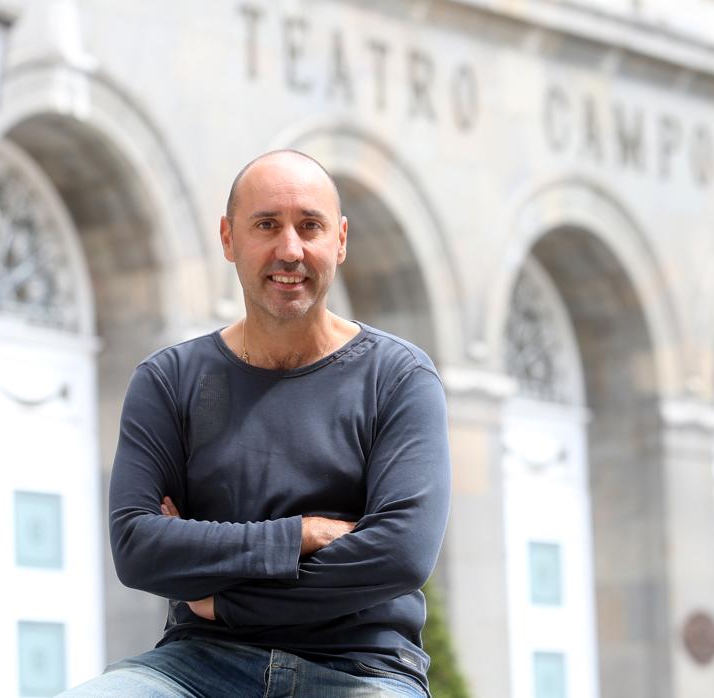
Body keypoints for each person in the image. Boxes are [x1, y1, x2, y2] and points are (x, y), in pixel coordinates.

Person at [62, 150, 451, 697]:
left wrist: (222, 599)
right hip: (197, 666)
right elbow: (138, 546)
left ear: (339, 240)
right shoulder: (168, 380)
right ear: (228, 238)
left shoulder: (399, 376)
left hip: (359, 670)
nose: (289, 249)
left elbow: (398, 556)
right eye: (267, 224)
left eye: (309, 226)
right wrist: (299, 535)